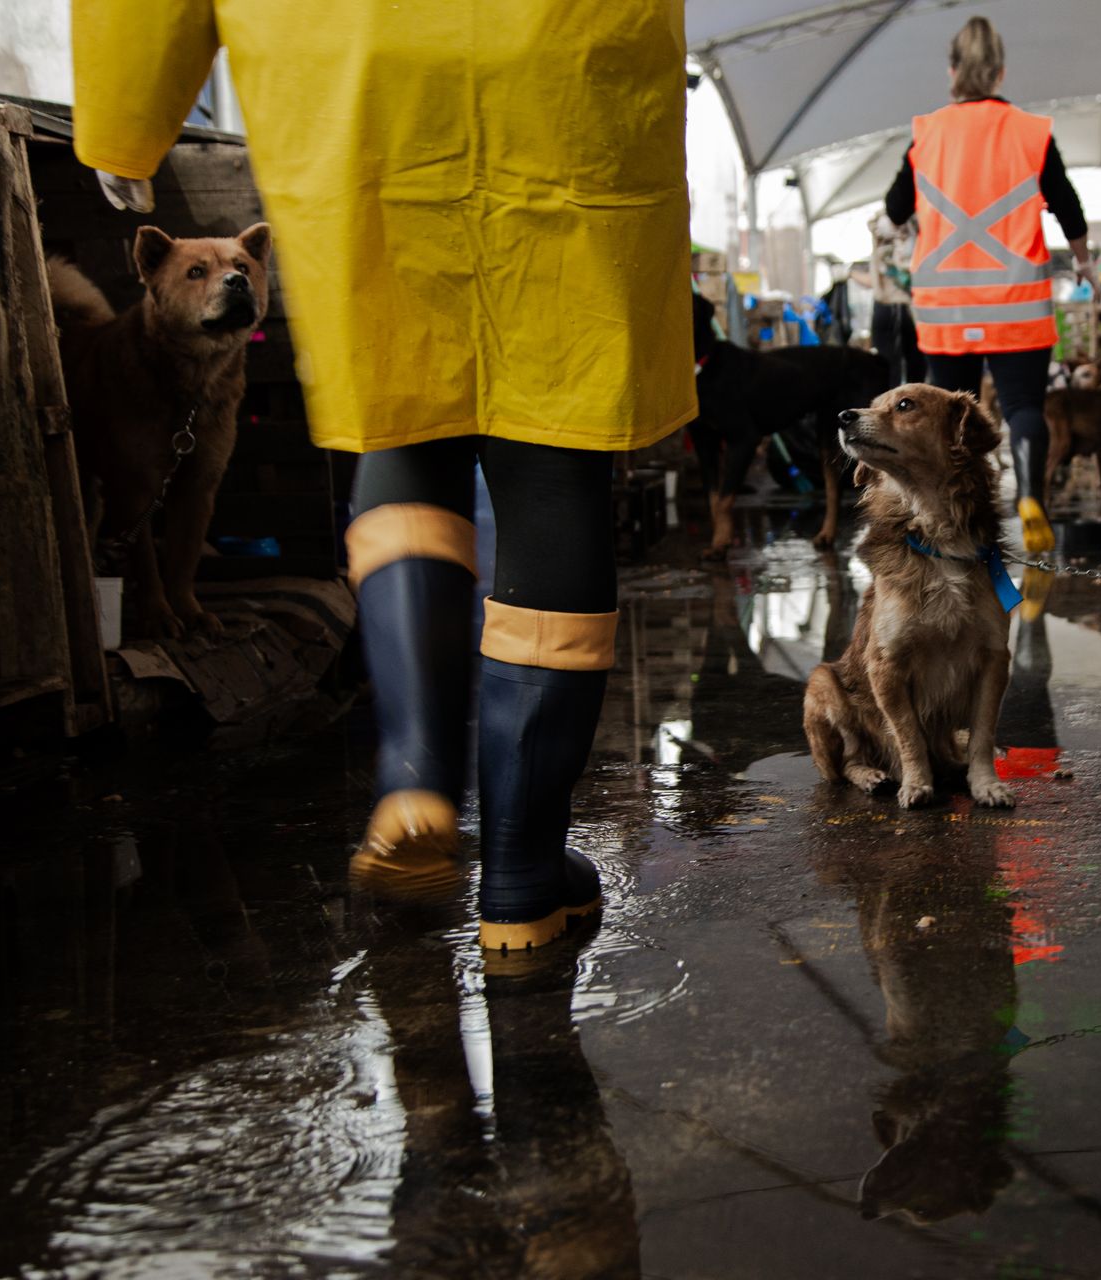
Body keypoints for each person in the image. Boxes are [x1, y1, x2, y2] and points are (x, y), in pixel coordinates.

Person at [70, 4, 698, 953]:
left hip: (351, 73)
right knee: (552, 460)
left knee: (407, 424)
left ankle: (413, 775)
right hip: (566, 71)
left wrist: (125, 117)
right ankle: (524, 875)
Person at [884, 15, 1097, 555]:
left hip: (945, 306)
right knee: (1024, 405)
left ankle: (944, 521)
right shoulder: (1030, 132)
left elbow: (894, 208)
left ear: (952, 72)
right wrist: (1084, 260)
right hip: (1016, 302)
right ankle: (1029, 496)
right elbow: (1067, 204)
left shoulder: (927, 134)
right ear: (1000, 72)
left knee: (943, 413)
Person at [867, 210, 926, 388]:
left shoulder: (882, 237)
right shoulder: (913, 234)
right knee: (911, 368)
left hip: (895, 307)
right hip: (907, 308)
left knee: (895, 368)